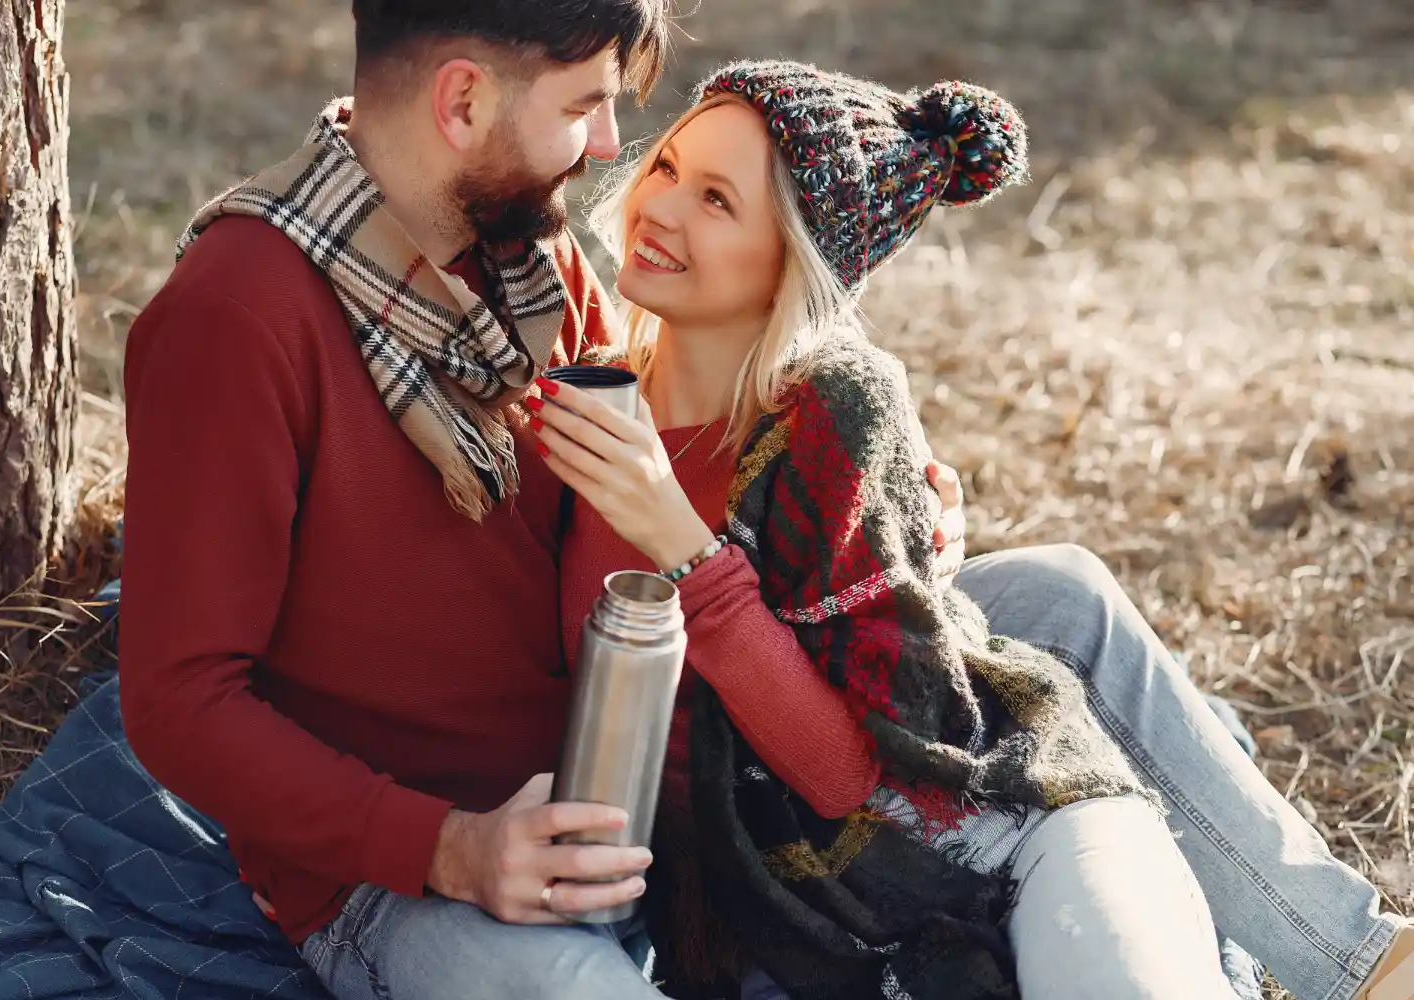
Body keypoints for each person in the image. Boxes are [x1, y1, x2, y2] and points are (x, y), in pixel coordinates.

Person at [116, 4, 1411, 1000]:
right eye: (586, 107)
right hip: (420, 860)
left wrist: (876, 511)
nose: (617, 152)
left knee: (1057, 598)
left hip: (646, 725)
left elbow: (674, 435)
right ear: (463, 99)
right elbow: (179, 704)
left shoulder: (524, 251)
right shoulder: (236, 320)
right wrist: (451, 848)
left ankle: (1355, 959)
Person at [529, 61, 1414, 1000]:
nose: (660, 207)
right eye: (667, 167)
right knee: (1062, 598)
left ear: (795, 263)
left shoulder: (820, 411)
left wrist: (715, 540)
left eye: (716, 199)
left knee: (1065, 602)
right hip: (725, 856)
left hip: (852, 780)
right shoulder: (584, 387)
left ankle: (1362, 964)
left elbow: (845, 757)